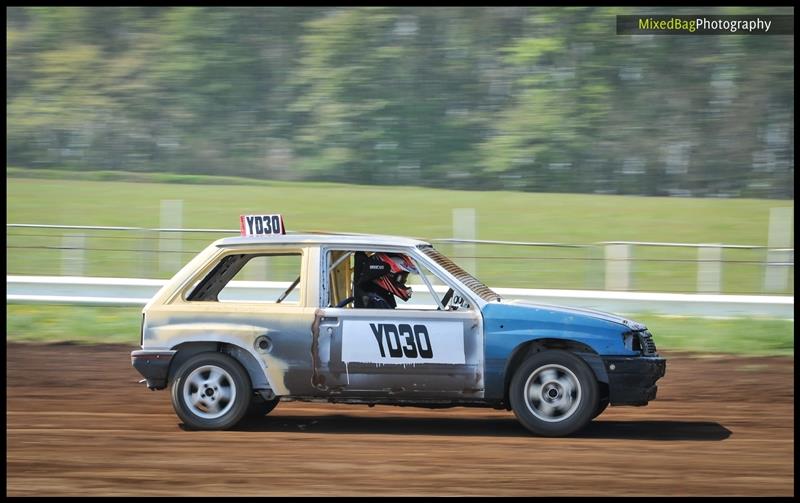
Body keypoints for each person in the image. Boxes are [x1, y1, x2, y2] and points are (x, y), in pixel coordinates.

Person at [352, 251, 418, 309]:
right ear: (388, 275)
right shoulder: (375, 301)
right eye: (401, 278)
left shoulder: (382, 297)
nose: (404, 281)